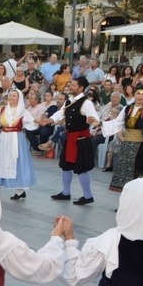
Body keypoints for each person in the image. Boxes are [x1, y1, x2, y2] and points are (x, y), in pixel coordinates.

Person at [102, 84, 143, 193]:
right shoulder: (127, 108)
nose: (140, 96)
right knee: (123, 173)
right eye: (138, 93)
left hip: (139, 146)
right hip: (126, 144)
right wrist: (101, 124)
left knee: (135, 173)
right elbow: (117, 123)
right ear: (134, 94)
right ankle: (124, 202)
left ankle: (134, 201)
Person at [50, 77, 99, 206]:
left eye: (73, 84)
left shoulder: (86, 103)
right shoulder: (69, 101)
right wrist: (49, 120)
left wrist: (92, 120)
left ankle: (88, 196)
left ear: (81, 87)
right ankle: (66, 193)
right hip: (70, 138)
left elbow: (95, 118)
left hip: (81, 140)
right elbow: (60, 114)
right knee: (65, 166)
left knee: (81, 168)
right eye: (70, 84)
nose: (70, 86)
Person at [0, 89, 37, 200]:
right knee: (0, 161)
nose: (11, 97)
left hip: (16, 139)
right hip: (4, 139)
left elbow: (31, 124)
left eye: (14, 96)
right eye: (10, 95)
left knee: (17, 163)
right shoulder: (2, 110)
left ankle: (20, 190)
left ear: (19, 98)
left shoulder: (23, 112)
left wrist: (37, 122)